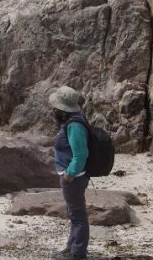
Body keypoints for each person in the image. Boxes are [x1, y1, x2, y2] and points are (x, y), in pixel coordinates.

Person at [50, 86, 90, 260]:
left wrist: (70, 174)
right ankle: (71, 247)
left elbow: (81, 154)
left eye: (56, 107)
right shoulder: (73, 120)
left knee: (78, 215)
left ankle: (78, 253)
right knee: (73, 213)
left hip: (74, 177)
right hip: (72, 176)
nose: (54, 110)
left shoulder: (74, 125)